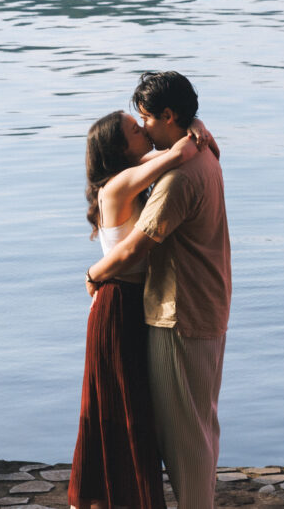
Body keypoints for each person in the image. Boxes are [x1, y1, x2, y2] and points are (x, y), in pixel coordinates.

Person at [84, 72, 231, 509]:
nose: (143, 126)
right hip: (192, 304)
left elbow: (135, 247)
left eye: (145, 118)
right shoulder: (197, 158)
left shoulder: (178, 176)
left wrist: (93, 274)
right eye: (136, 125)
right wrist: (193, 133)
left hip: (179, 311)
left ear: (168, 115)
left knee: (183, 433)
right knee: (191, 425)